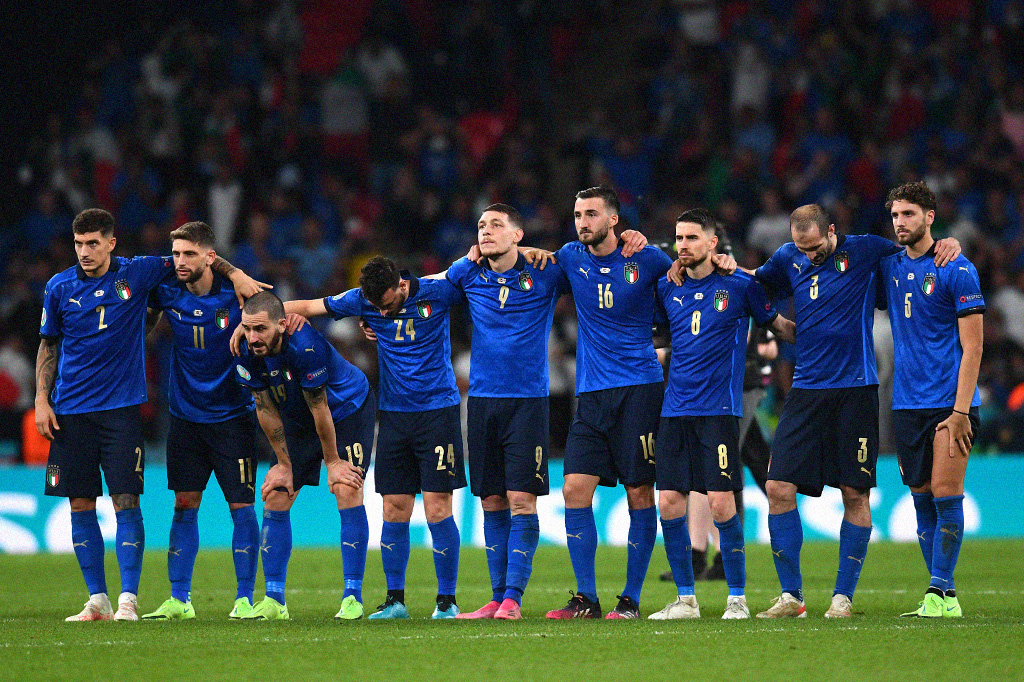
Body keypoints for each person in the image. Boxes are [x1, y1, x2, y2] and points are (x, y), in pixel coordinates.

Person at [37, 208, 263, 622]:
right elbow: (49, 344)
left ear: (111, 243)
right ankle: (99, 600)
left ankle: (130, 600)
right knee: (81, 503)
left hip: (125, 411)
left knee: (127, 502)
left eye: (92, 243)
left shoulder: (137, 272)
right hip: (71, 411)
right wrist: (40, 398)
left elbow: (200, 258)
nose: (84, 252)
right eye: (78, 244)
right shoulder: (58, 286)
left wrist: (237, 275)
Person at [750, 204, 959, 619]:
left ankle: (842, 597)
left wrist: (947, 244)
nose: (809, 256)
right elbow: (756, 287)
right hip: (806, 391)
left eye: (815, 248)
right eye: (801, 248)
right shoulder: (787, 257)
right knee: (777, 487)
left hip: (856, 391)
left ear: (831, 229)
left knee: (853, 494)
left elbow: (914, 251)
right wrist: (778, 324)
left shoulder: (866, 250)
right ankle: (791, 596)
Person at [545, 186, 730, 620]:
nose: (582, 221)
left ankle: (629, 599)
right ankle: (585, 598)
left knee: (640, 491)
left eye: (591, 214)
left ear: (614, 220)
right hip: (591, 394)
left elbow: (688, 282)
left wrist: (722, 263)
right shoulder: (570, 257)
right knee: (574, 489)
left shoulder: (647, 259)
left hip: (641, 391)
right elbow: (529, 264)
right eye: (577, 214)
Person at [283, 257, 468, 619]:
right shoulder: (363, 300)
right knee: (393, 507)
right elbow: (308, 306)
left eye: (388, 305)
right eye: (376, 308)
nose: (382, 313)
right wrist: (258, 319)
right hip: (394, 415)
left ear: (402, 284)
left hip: (438, 413)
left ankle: (447, 601)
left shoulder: (439, 293)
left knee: (437, 508)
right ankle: (396, 600)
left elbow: (475, 282)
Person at [649, 209, 794, 620]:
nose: (682, 245)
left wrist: (819, 337)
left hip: (719, 411)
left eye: (692, 238)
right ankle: (685, 600)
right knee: (670, 501)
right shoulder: (667, 288)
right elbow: (659, 342)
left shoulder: (740, 284)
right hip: (675, 410)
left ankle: (736, 598)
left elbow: (777, 323)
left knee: (720, 503)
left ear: (712, 243)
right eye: (679, 238)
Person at [444, 204, 568, 621]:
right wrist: (383, 309)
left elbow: (594, 261)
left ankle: (513, 598)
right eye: (480, 225)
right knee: (492, 500)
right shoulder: (467, 273)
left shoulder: (547, 271)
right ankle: (497, 598)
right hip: (480, 402)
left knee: (520, 499)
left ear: (517, 235)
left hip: (527, 402)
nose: (485, 231)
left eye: (496, 225)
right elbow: (425, 288)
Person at [139, 222, 262, 620]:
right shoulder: (166, 291)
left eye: (189, 254)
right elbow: (144, 323)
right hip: (186, 418)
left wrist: (236, 272)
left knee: (241, 506)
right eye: (175, 254)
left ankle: (244, 599)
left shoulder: (236, 294)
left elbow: (271, 322)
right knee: (183, 504)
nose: (179, 261)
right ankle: (179, 599)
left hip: (233, 418)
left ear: (210, 257)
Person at [879, 182, 984, 619]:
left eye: (909, 214)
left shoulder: (957, 269)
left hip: (949, 402)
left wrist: (961, 411)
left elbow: (974, 346)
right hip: (906, 403)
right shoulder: (888, 267)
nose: (901, 222)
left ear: (929, 216)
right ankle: (945, 598)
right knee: (921, 496)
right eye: (896, 215)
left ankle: (938, 591)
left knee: (945, 493)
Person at [233, 291, 372, 620]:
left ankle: (352, 596)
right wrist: (283, 464)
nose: (253, 338)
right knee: (276, 497)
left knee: (346, 488)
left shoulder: (305, 347)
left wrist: (334, 462)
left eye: (260, 330)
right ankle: (275, 600)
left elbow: (320, 406)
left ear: (281, 326)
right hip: (297, 416)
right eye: (247, 329)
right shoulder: (244, 348)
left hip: (346, 410)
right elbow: (264, 406)